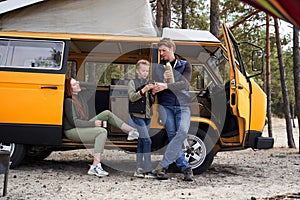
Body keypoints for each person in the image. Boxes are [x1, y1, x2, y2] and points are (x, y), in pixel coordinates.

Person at [64, 77, 139, 177]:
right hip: (72, 130)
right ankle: (95, 166)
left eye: (77, 83)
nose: (77, 85)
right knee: (101, 132)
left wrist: (79, 82)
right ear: (69, 89)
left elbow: (93, 86)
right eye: (74, 85)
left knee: (107, 113)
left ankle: (131, 131)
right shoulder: (69, 101)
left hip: (82, 125)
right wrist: (93, 124)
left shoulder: (81, 96)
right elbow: (75, 122)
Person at [152, 38, 193, 181]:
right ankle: (186, 168)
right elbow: (156, 87)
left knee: (182, 132)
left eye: (163, 50)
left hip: (183, 106)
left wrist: (167, 85)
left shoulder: (185, 65)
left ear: (171, 49)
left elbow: (185, 84)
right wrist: (161, 81)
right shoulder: (158, 68)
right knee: (172, 135)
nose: (161, 53)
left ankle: (162, 165)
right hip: (166, 106)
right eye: (160, 51)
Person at [128, 59, 156, 178]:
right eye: (143, 70)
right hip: (137, 116)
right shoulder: (132, 83)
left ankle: (138, 168)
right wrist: (143, 90)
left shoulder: (149, 82)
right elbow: (132, 98)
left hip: (147, 116)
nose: (145, 73)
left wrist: (153, 94)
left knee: (141, 142)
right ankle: (149, 170)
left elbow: (151, 102)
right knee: (147, 140)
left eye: (147, 71)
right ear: (137, 71)